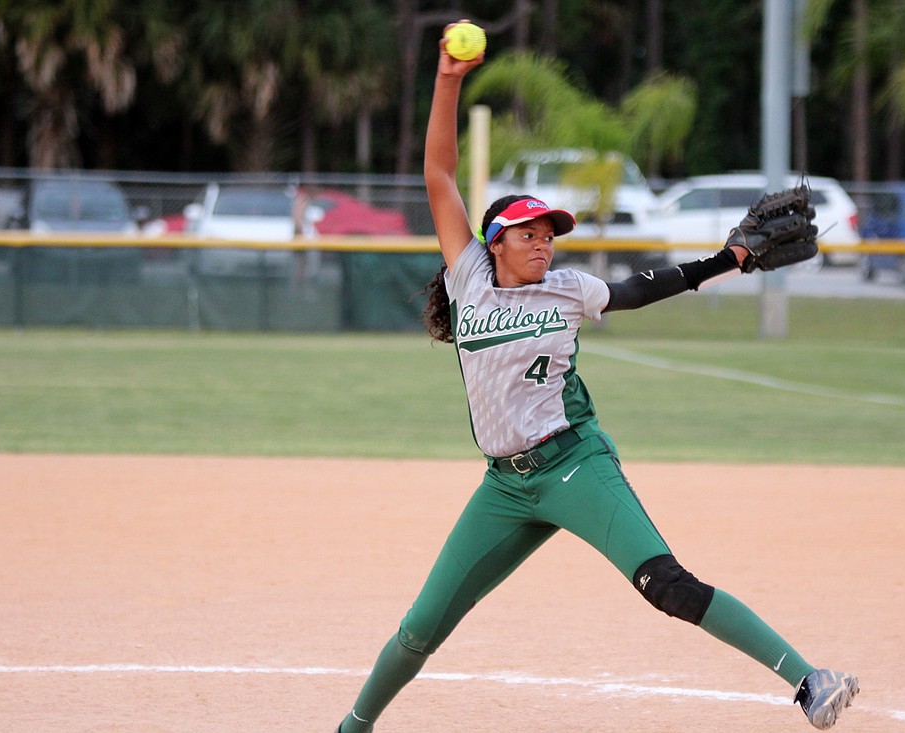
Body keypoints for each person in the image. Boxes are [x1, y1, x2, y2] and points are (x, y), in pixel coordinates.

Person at [335, 21, 858, 732]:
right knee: (422, 625)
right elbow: (439, 175)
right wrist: (448, 81)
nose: (544, 240)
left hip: (574, 464)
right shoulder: (470, 281)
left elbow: (643, 287)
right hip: (504, 484)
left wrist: (727, 259)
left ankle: (810, 680)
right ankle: (352, 727)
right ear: (493, 244)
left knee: (666, 585)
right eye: (528, 232)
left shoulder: (568, 289)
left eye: (549, 231)